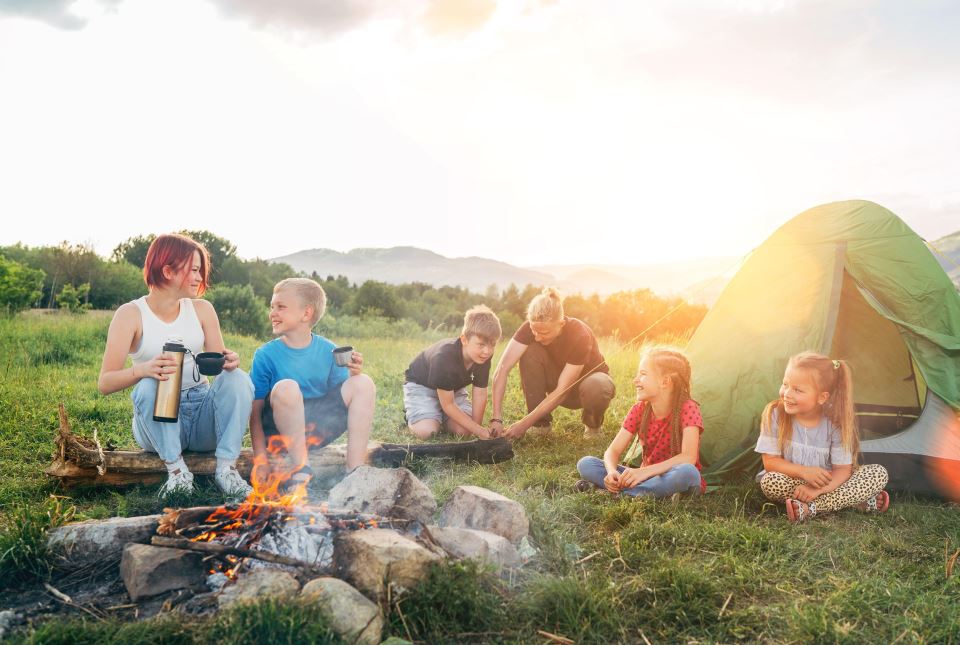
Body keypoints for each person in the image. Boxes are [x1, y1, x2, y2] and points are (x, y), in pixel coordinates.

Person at [98, 233, 254, 500]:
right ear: (168, 270)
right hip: (158, 424)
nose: (199, 277)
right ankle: (177, 473)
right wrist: (143, 369)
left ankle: (226, 469)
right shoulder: (131, 315)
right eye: (194, 270)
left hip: (202, 412)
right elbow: (105, 383)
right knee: (149, 384)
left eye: (201, 270)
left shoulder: (203, 310)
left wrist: (229, 362)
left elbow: (217, 365)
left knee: (238, 378)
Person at [249, 278, 376, 492]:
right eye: (272, 306)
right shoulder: (265, 355)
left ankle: (354, 471)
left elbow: (341, 398)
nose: (272, 313)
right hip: (280, 433)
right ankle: (301, 467)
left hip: (318, 428)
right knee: (287, 387)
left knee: (363, 383)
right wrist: (261, 460)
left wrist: (353, 374)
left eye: (281, 307)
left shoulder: (329, 351)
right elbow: (255, 413)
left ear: (306, 314)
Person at [755, 352, 890, 523]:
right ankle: (854, 502)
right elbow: (770, 462)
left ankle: (811, 507)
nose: (787, 393)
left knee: (878, 473)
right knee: (770, 481)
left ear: (822, 397)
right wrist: (804, 472)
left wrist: (817, 491)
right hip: (794, 482)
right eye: (785, 384)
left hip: (830, 483)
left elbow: (842, 470)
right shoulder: (775, 414)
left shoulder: (835, 422)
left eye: (797, 390)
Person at [575, 348, 705, 498]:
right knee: (586, 463)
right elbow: (613, 451)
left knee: (688, 472)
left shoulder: (688, 408)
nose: (635, 380)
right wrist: (612, 472)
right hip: (644, 477)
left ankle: (622, 493)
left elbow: (688, 457)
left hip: (670, 475)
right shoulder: (639, 410)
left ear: (665, 381)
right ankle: (642, 493)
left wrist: (644, 472)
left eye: (643, 374)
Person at [490, 287, 615, 440]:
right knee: (529, 350)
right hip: (557, 383)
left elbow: (563, 390)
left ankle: (593, 426)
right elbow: (501, 371)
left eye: (544, 333)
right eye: (534, 330)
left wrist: (523, 424)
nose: (537, 337)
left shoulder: (580, 334)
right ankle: (540, 426)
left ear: (561, 324)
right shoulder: (532, 328)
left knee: (597, 386)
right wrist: (496, 418)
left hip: (584, 388)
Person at [404, 305, 501, 440]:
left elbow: (480, 393)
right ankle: (416, 414)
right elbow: (448, 404)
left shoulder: (483, 356)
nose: (487, 351)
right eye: (481, 344)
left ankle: (438, 415)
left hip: (452, 389)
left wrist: (476, 429)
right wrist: (479, 431)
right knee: (427, 432)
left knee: (464, 431)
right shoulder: (444, 357)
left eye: (492, 345)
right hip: (423, 387)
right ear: (464, 339)